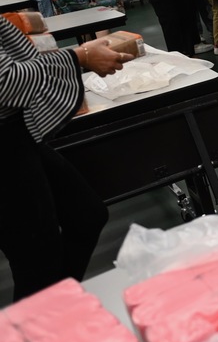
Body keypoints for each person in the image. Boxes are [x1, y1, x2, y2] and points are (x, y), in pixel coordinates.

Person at [0, 18, 131, 301]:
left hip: (16, 134)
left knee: (86, 215)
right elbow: (5, 82)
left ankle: (58, 305)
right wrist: (80, 56)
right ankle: (44, 318)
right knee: (35, 257)